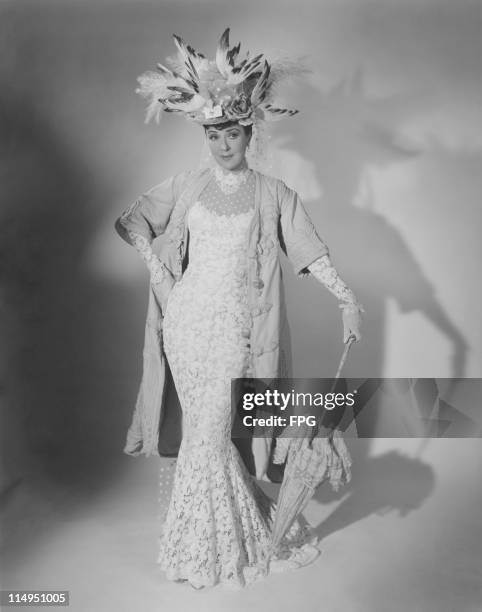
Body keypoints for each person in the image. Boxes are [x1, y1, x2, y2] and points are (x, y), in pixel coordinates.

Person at [115, 29, 363, 589]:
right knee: (205, 433)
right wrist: (158, 270)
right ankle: (202, 544)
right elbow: (133, 221)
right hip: (185, 324)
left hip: (236, 329)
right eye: (212, 134)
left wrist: (348, 298)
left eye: (230, 132)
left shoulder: (274, 194)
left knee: (211, 432)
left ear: (248, 131)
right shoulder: (187, 185)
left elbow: (307, 249)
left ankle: (212, 544)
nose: (221, 144)